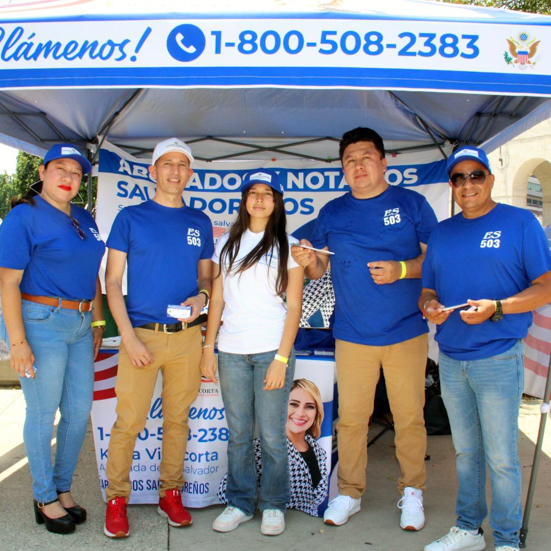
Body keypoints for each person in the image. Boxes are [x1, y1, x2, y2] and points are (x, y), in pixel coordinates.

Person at [291, 127, 438, 530]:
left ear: (383, 161)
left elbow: (437, 261)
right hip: (352, 334)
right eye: (350, 160)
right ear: (342, 169)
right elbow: (320, 266)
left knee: (409, 417)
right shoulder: (333, 212)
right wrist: (308, 258)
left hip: (406, 331)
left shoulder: (411, 203)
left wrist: (401, 270)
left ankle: (412, 492)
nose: (358, 165)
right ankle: (350, 492)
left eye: (366, 157)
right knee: (352, 419)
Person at [420, 146, 551, 551]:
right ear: (451, 186)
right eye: (458, 178)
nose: (467, 184)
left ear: (490, 179)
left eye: (475, 175)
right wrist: (429, 306)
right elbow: (428, 289)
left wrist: (498, 307)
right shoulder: (442, 232)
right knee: (465, 453)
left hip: (497, 357)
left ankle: (508, 539)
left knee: (501, 457)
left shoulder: (520, 223)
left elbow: (545, 286)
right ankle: (469, 529)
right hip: (452, 357)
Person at [103, 138, 213, 538]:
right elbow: (112, 281)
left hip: (186, 337)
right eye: (166, 163)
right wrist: (128, 338)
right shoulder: (130, 218)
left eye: (182, 165)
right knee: (128, 422)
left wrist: (202, 296)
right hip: (141, 337)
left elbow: (206, 277)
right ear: (153, 171)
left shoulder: (199, 221)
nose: (174, 171)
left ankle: (171, 493)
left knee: (177, 421)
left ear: (189, 173)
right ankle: (116, 499)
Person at [0, 144, 106, 534]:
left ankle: (62, 488)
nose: (68, 177)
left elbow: (91, 270)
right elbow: (6, 282)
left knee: (78, 412)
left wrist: (97, 322)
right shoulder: (22, 217)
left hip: (80, 324)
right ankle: (43, 495)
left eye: (76, 173)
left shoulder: (83, 217)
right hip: (39, 321)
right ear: (42, 172)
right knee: (43, 414)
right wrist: (17, 341)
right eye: (60, 169)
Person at [200, 169, 303, 536]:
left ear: (276, 203)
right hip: (231, 352)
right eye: (252, 193)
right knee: (239, 433)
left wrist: (281, 358)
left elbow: (294, 308)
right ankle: (240, 502)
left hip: (271, 350)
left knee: (273, 434)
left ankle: (274, 503)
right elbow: (219, 299)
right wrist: (208, 347)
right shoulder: (227, 244)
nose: (259, 199)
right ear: (244, 201)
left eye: (267, 193)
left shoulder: (289, 245)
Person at [218, 378, 329, 517]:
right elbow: (225, 491)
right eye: (294, 404)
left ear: (317, 412)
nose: (300, 413)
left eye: (309, 406)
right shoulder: (261, 448)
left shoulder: (320, 452)